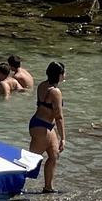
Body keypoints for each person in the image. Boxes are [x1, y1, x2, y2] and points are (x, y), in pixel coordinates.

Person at [28, 61, 66, 194]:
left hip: (40, 123)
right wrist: (63, 138)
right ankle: (13, 186)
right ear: (60, 75)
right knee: (31, 161)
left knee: (54, 155)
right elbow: (59, 116)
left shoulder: (42, 86)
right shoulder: (55, 92)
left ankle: (48, 187)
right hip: (42, 127)